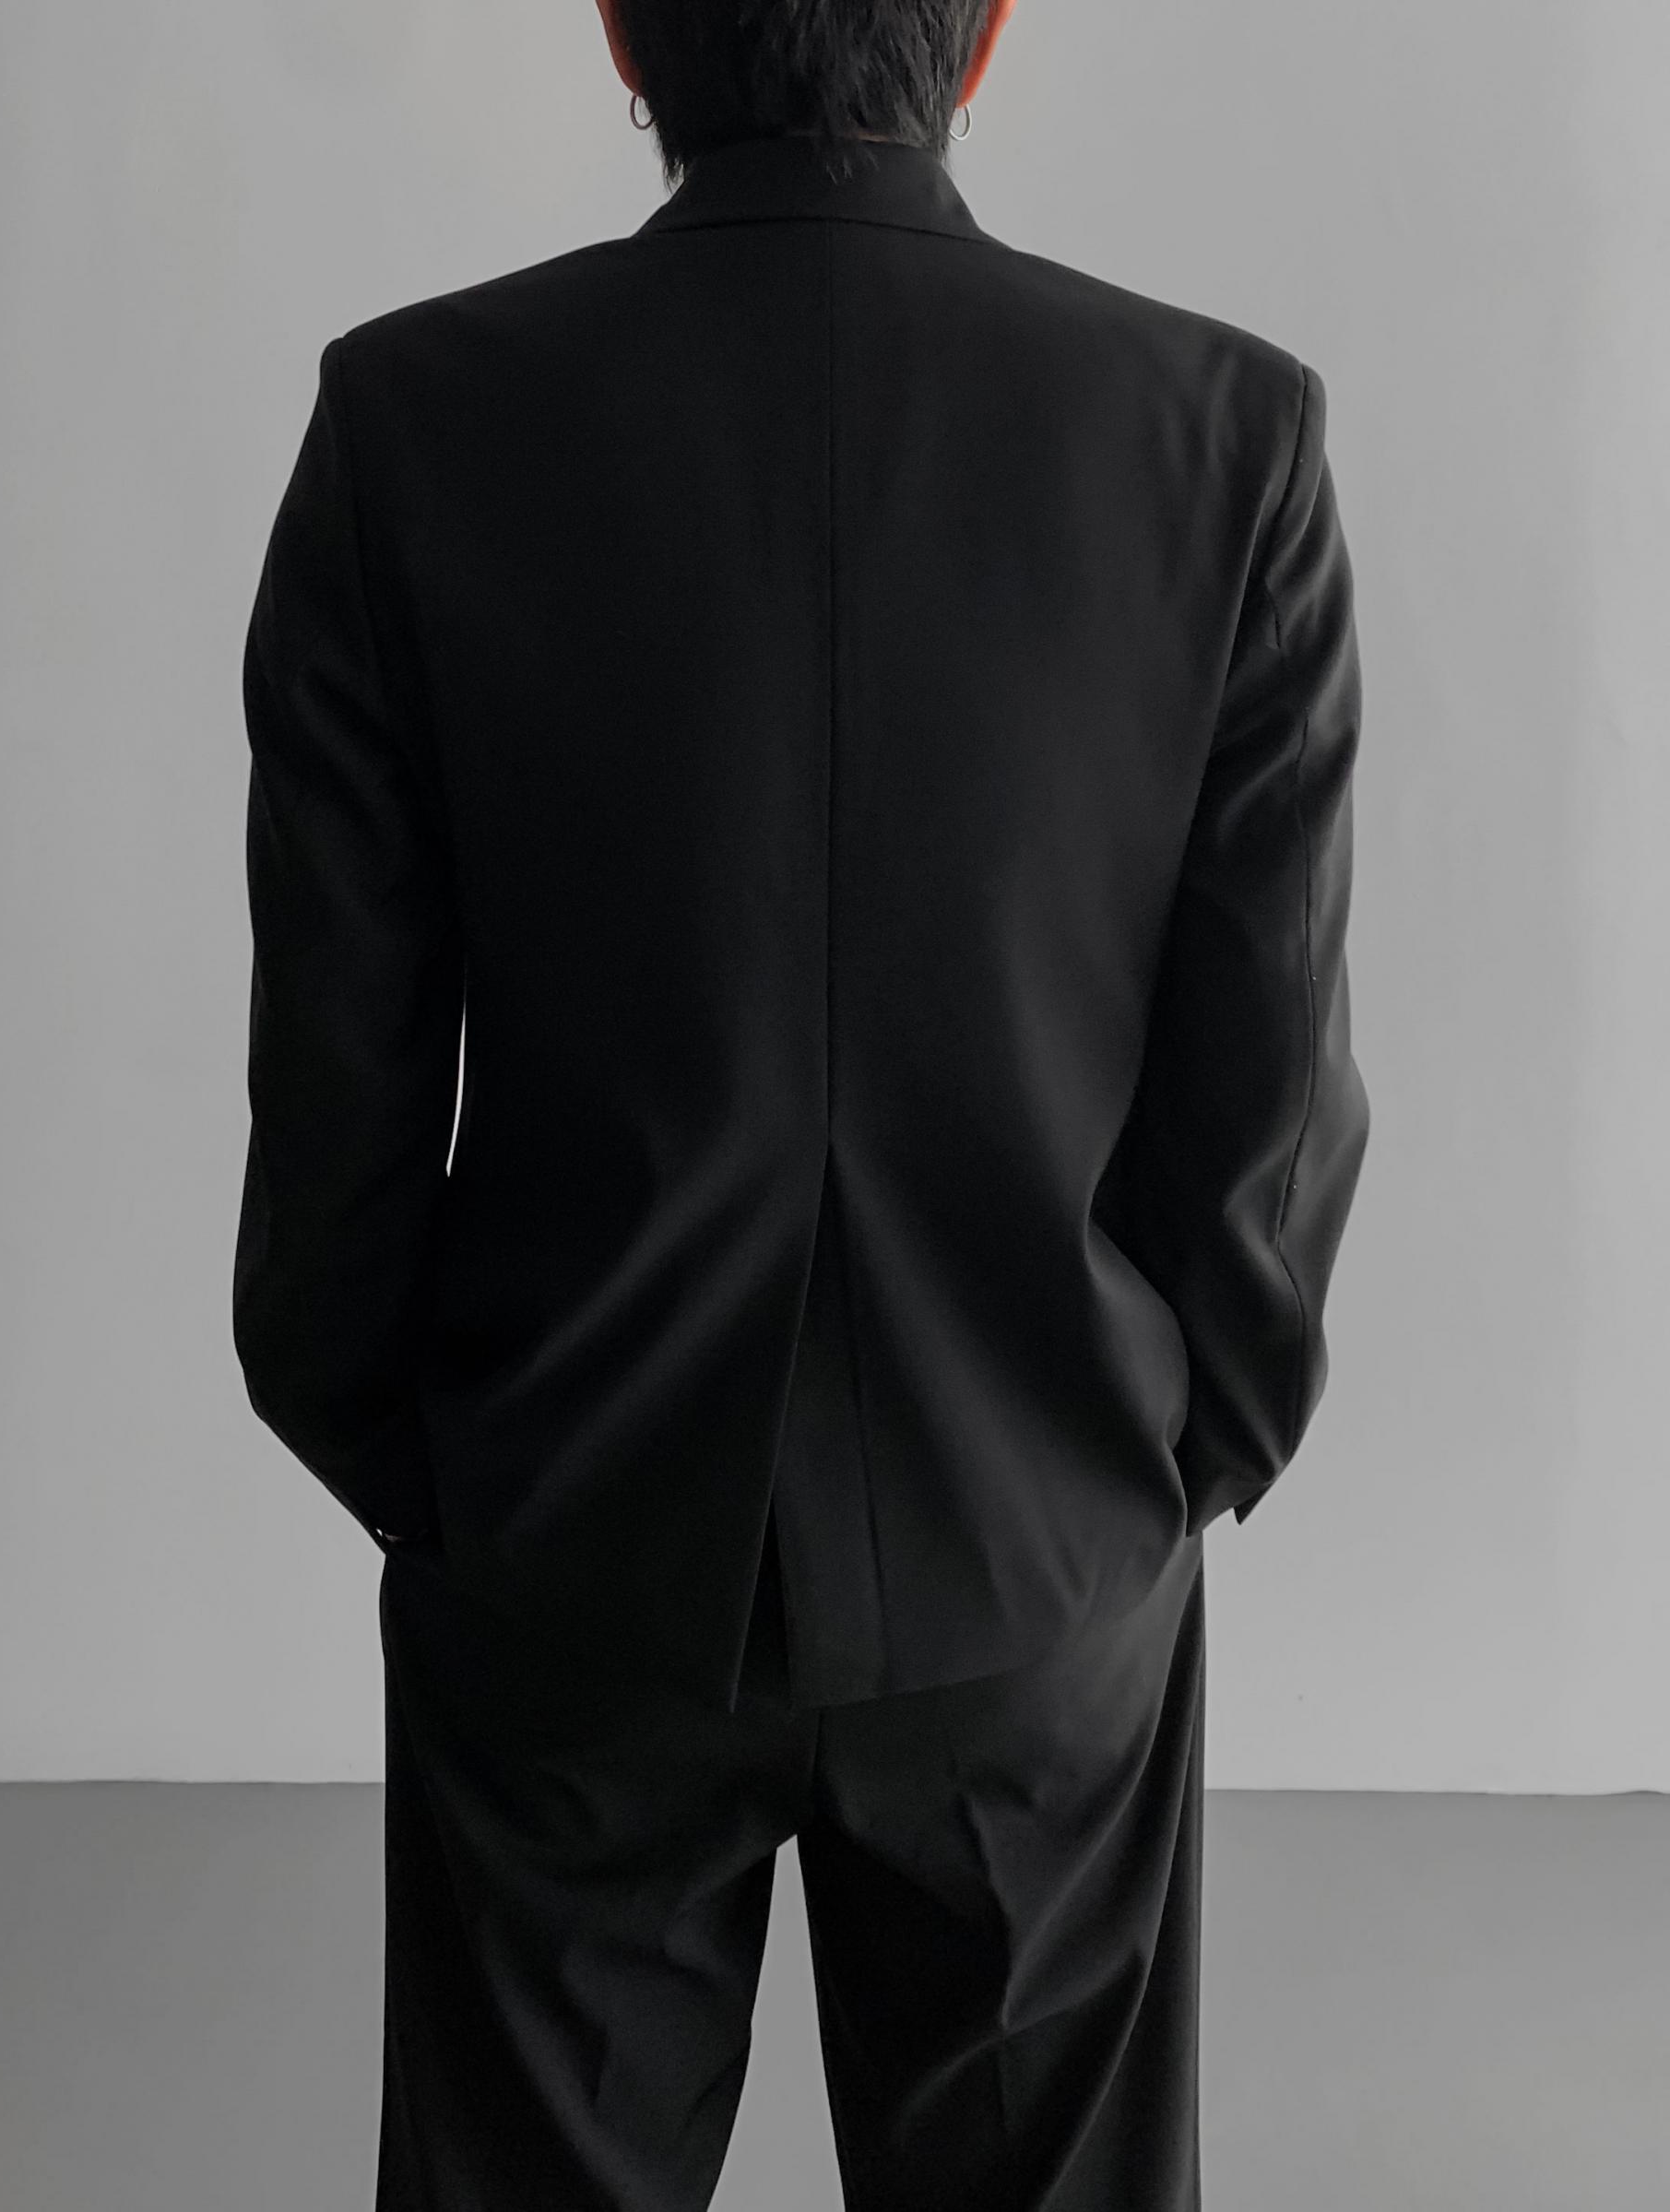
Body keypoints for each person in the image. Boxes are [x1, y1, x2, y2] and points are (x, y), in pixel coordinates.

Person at [231, 1, 1370, 2203]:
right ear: (985, 32)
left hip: (564, 1532)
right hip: (1038, 1554)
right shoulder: (1224, 436)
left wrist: (438, 1471)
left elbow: (338, 1080)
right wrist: (1154, 1468)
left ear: (624, 22)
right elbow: (1268, 1099)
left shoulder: (413, 421)